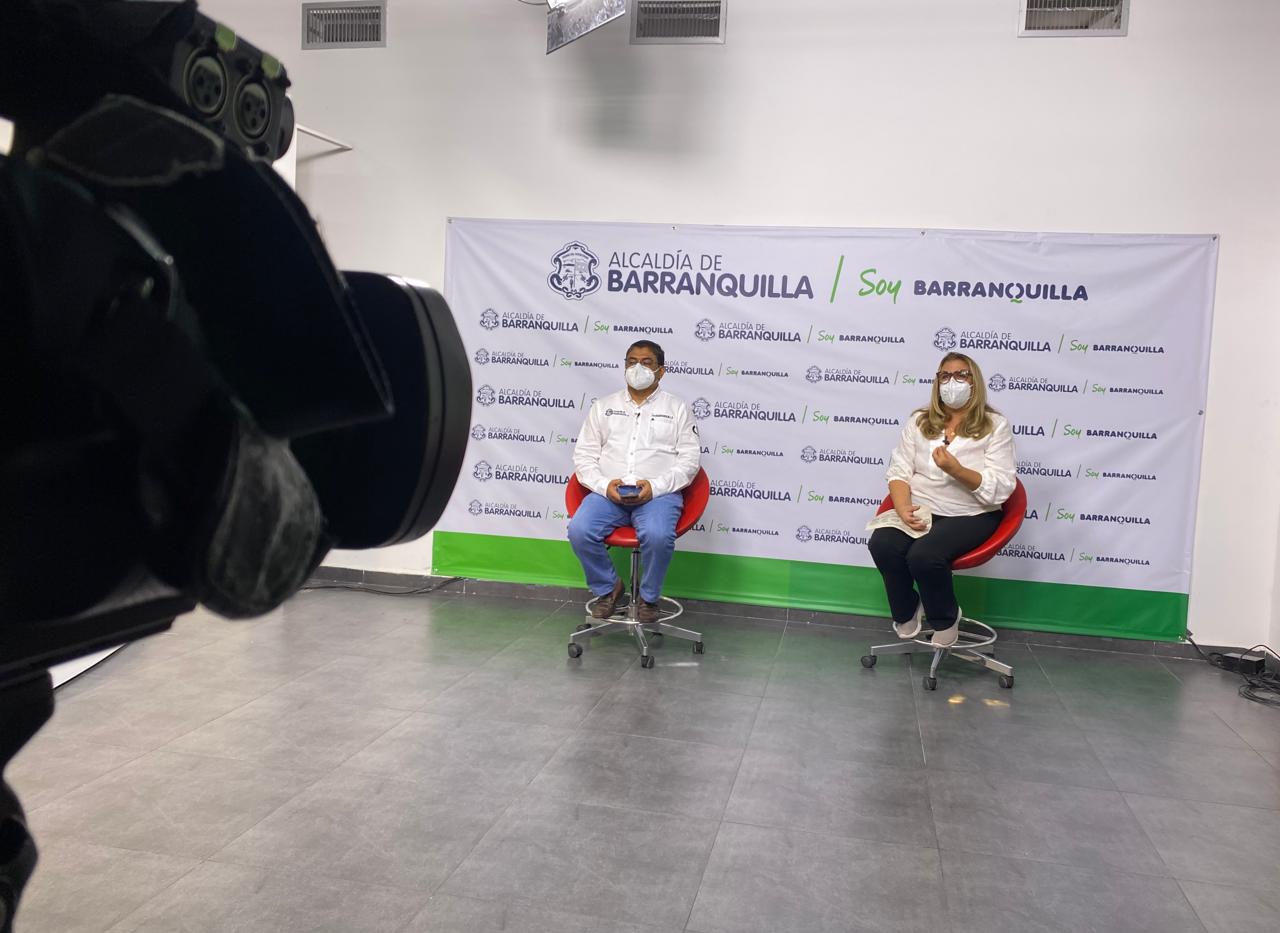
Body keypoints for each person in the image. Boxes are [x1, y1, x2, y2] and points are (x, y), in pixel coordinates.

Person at [868, 352, 1016, 647]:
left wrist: (957, 470)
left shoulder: (994, 425)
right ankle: (907, 609)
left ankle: (945, 617)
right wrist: (901, 507)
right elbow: (899, 470)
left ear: (975, 382)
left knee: (924, 556)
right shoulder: (920, 421)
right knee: (882, 543)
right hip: (923, 507)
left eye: (961, 375)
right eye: (945, 376)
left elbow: (1003, 487)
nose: (953, 382)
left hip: (971, 513)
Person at [568, 340, 700, 623]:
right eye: (631, 361)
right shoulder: (603, 407)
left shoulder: (677, 408)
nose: (637, 367)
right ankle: (608, 589)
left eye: (647, 362)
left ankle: (649, 599)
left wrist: (656, 487)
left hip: (658, 495)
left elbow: (689, 462)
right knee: (579, 530)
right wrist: (605, 486)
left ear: (661, 371)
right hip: (609, 494)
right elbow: (584, 456)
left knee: (657, 535)